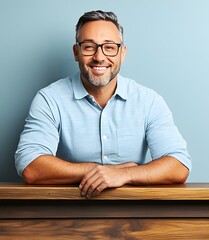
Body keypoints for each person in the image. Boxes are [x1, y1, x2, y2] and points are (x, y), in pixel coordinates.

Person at [15, 10, 192, 198]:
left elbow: (179, 165)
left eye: (109, 47)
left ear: (122, 53)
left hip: (136, 216)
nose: (99, 57)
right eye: (89, 47)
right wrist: (101, 171)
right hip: (69, 216)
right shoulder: (49, 99)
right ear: (76, 52)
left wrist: (124, 174)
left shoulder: (149, 101)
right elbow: (30, 166)